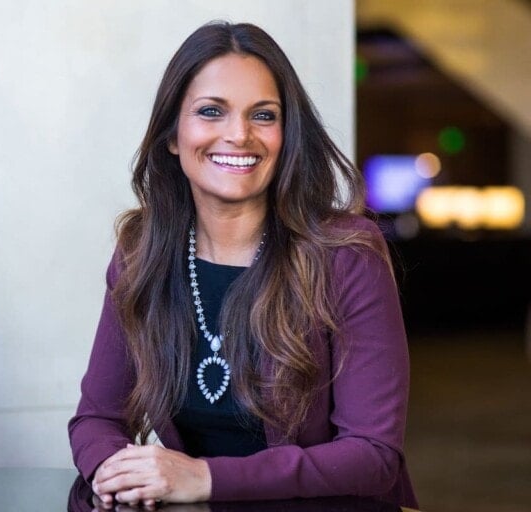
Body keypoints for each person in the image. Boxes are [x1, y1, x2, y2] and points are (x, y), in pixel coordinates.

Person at [68, 21, 418, 509]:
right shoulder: (141, 250)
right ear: (173, 135)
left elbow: (372, 455)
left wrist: (204, 477)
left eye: (264, 115)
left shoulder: (347, 254)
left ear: (286, 134)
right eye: (211, 111)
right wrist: (114, 470)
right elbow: (97, 419)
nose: (239, 135)